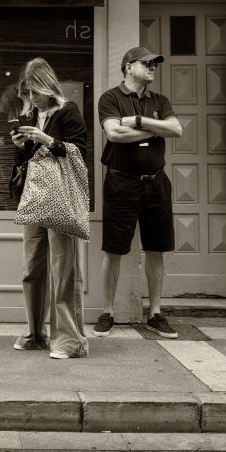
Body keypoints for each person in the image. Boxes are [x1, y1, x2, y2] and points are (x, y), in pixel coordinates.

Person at [95, 47, 183, 339]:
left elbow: (177, 129)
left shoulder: (160, 100)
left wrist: (140, 122)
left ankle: (155, 313)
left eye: (155, 64)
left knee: (156, 248)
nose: (153, 68)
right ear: (128, 66)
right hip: (121, 182)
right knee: (114, 249)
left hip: (157, 183)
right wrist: (158, 130)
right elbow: (114, 134)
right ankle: (107, 312)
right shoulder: (110, 98)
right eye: (147, 64)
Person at [12, 58, 89, 359]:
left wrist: (48, 139)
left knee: (63, 270)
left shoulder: (68, 111)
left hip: (60, 199)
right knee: (32, 267)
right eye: (27, 93)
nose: (32, 99)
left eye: (35, 92)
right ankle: (35, 333)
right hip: (35, 198)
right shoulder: (31, 113)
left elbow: (79, 153)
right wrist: (21, 146)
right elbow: (26, 163)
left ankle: (69, 340)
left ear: (48, 86)